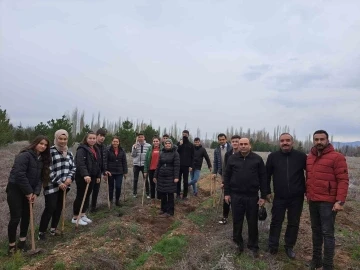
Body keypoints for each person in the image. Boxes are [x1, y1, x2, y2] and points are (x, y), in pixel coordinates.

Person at [306, 130, 349, 270]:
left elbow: (343, 180)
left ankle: (328, 265)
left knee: (327, 234)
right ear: (313, 140)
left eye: (322, 139)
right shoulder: (310, 157)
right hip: (313, 200)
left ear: (327, 140)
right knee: (315, 232)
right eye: (316, 139)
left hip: (328, 202)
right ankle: (316, 261)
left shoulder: (337, 157)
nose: (319, 142)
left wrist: (339, 201)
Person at [6, 136, 51, 255]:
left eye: (45, 145)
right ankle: (11, 247)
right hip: (15, 189)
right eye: (41, 143)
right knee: (16, 218)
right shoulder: (24, 155)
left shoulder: (41, 159)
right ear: (35, 143)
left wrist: (35, 193)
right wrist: (28, 192)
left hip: (29, 192)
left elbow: (41, 179)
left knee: (26, 216)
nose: (43, 146)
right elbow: (19, 175)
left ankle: (22, 242)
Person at [223, 137, 267, 258]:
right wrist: (227, 193)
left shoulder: (257, 159)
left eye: (245, 144)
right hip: (236, 196)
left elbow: (263, 178)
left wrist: (263, 196)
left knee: (252, 222)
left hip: (252, 196)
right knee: (237, 221)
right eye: (241, 144)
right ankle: (238, 243)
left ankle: (253, 245)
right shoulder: (232, 158)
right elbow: (227, 177)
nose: (242, 146)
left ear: (250, 145)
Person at [266, 133, 307, 259]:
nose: (285, 143)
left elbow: (310, 174)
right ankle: (273, 246)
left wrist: (308, 191)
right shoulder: (273, 157)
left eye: (288, 140)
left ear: (292, 142)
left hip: (297, 197)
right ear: (279, 142)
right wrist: (267, 191)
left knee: (293, 223)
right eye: (282, 140)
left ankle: (289, 246)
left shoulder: (301, 156)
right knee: (276, 221)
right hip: (279, 196)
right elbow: (266, 175)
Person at [38, 130, 76, 240]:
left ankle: (53, 229)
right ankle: (41, 232)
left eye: (65, 139)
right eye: (60, 138)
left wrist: (69, 178)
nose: (63, 141)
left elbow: (73, 167)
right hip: (52, 185)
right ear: (56, 138)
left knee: (59, 207)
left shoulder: (69, 153)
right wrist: (59, 182)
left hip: (65, 185)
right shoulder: (50, 152)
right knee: (50, 207)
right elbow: (48, 169)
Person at [72, 132, 101, 225]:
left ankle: (83, 214)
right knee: (81, 195)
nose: (92, 140)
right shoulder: (81, 149)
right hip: (82, 176)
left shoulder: (96, 149)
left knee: (87, 194)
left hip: (92, 175)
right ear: (86, 139)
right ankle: (75, 217)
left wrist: (97, 175)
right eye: (90, 138)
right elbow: (80, 163)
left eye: (94, 138)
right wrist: (85, 175)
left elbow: (97, 164)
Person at [153, 139, 180, 217]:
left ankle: (170, 212)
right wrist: (155, 175)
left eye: (169, 143)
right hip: (161, 176)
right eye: (166, 143)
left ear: (171, 144)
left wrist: (176, 177)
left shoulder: (175, 154)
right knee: (163, 193)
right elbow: (158, 165)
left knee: (170, 194)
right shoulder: (162, 153)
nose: (167, 145)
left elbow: (177, 166)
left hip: (170, 176)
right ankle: (163, 209)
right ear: (164, 145)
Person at [218, 135, 240, 224]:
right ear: (231, 143)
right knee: (226, 199)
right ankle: (225, 217)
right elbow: (225, 169)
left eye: (236, 141)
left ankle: (238, 218)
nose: (235, 143)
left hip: (240, 182)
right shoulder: (228, 154)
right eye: (233, 141)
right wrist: (223, 181)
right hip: (229, 180)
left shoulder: (244, 154)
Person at [212, 133, 232, 224]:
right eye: (220, 140)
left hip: (233, 172)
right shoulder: (217, 150)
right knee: (225, 190)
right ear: (218, 140)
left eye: (223, 139)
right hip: (222, 172)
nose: (222, 141)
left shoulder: (231, 148)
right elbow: (215, 162)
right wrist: (214, 172)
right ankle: (227, 208)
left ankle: (232, 206)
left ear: (226, 139)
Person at [104, 136, 128, 206]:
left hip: (119, 172)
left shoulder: (122, 150)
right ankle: (110, 201)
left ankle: (117, 201)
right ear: (112, 142)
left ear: (119, 142)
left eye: (117, 142)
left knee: (118, 187)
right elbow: (105, 161)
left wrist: (125, 171)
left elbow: (124, 162)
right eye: (114, 141)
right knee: (110, 187)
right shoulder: (108, 150)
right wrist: (105, 171)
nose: (115, 143)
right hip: (110, 172)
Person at [90, 128, 107, 212]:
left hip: (99, 172)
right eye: (100, 136)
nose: (102, 138)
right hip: (90, 172)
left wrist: (104, 172)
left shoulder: (104, 147)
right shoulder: (92, 146)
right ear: (97, 136)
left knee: (96, 190)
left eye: (104, 136)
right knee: (88, 190)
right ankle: (83, 210)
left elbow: (104, 160)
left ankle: (93, 207)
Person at [131, 132, 151, 198]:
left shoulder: (148, 146)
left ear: (144, 137)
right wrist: (135, 148)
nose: (140, 138)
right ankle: (134, 193)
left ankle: (148, 193)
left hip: (144, 165)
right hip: (136, 164)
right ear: (137, 138)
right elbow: (133, 155)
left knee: (145, 179)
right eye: (139, 137)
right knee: (135, 179)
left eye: (142, 137)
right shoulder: (134, 145)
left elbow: (149, 155)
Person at [176, 130, 194, 200]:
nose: (184, 135)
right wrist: (180, 145)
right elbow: (176, 153)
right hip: (178, 165)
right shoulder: (179, 143)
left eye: (185, 134)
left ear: (188, 135)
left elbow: (193, 156)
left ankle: (185, 195)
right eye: (183, 134)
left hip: (186, 166)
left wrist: (191, 166)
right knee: (178, 180)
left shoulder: (191, 145)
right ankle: (178, 194)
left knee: (185, 181)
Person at [144, 135, 163, 201]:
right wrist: (145, 170)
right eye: (154, 141)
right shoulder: (149, 149)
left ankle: (159, 198)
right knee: (152, 184)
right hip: (151, 169)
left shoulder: (162, 149)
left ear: (159, 141)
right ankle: (152, 197)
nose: (155, 142)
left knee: (159, 184)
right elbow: (146, 160)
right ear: (152, 142)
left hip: (159, 169)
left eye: (157, 141)